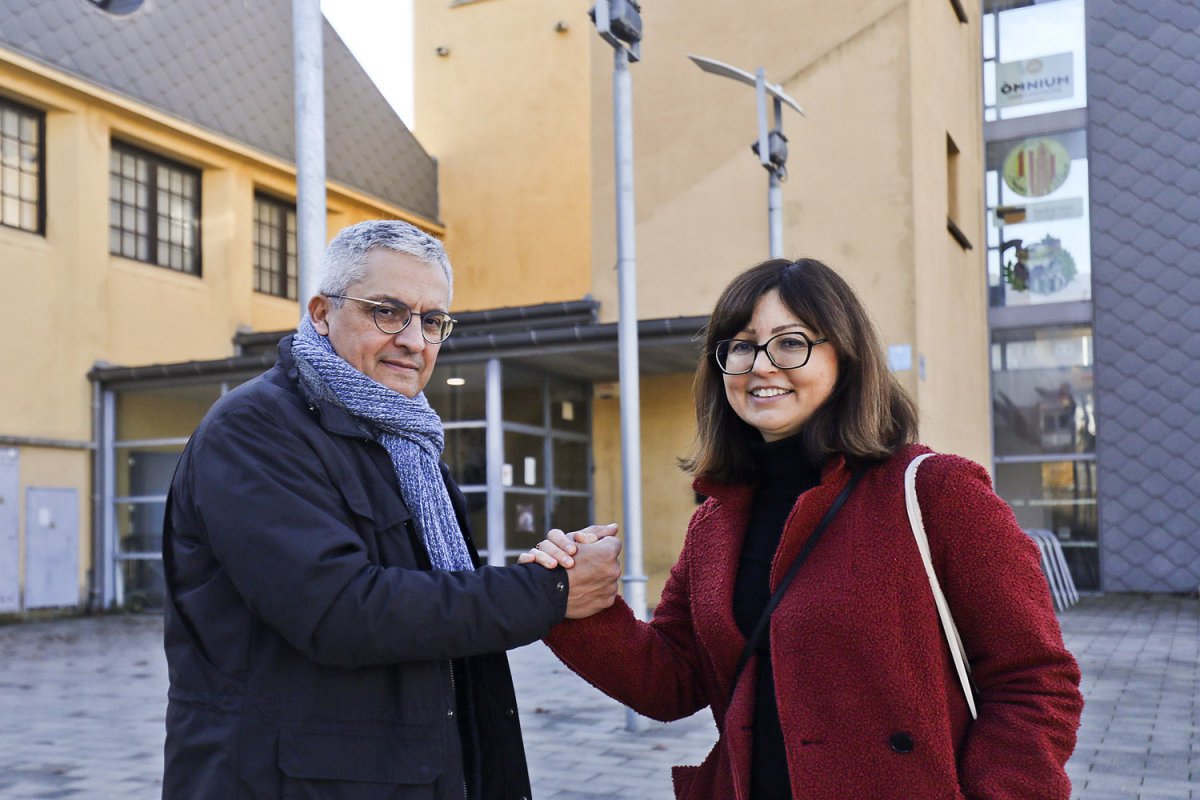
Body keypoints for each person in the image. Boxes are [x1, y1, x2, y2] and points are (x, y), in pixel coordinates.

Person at [522, 258, 1083, 800]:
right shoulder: (716, 522)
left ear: (846, 358)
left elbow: (1035, 679)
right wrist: (582, 603)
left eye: (791, 342)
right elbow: (672, 682)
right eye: (740, 346)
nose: (761, 365)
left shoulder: (934, 490)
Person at [161, 220, 622, 800]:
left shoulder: (408, 442)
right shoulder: (254, 429)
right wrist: (545, 593)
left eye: (432, 321)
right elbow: (339, 611)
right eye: (387, 311)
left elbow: (437, 600)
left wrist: (549, 570)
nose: (414, 339)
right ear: (323, 313)